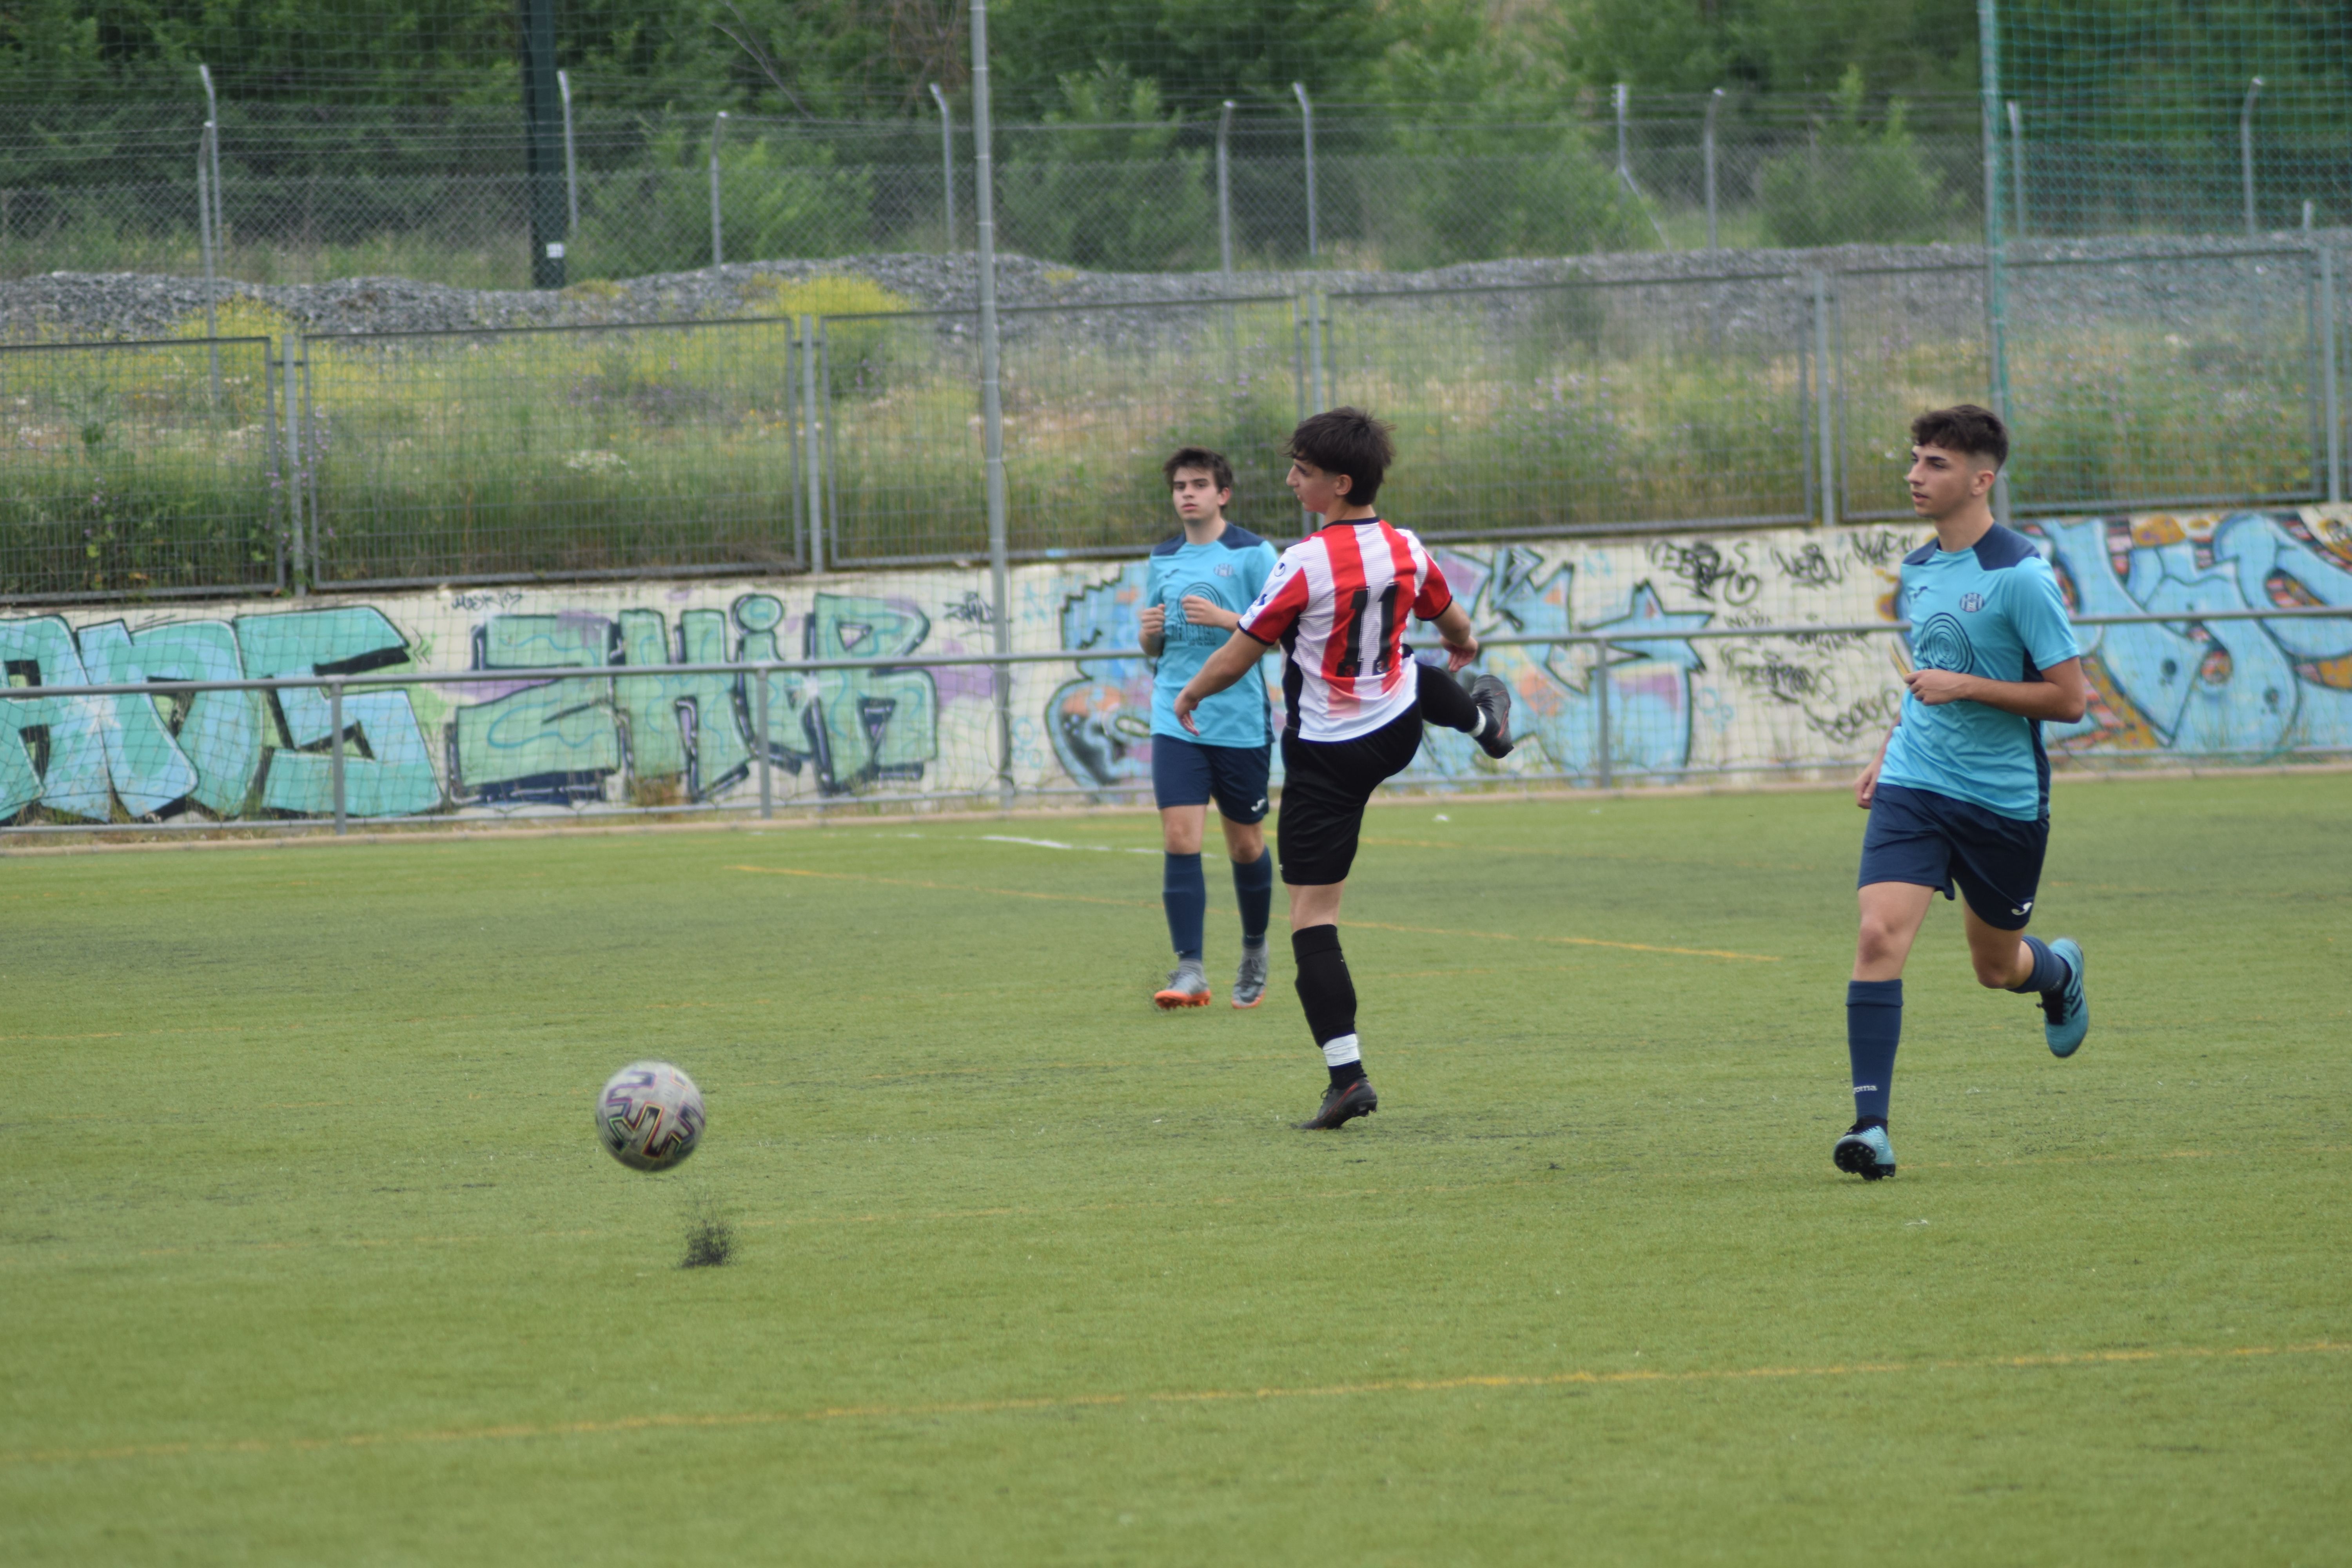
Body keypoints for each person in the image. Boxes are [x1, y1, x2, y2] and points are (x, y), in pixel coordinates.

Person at [1175, 408, 1514, 1130]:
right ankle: (1486, 724)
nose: (1291, 479)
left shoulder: (1302, 563)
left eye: (1302, 470)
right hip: (1394, 733)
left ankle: (1347, 1077)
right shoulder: (1405, 547)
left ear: (1339, 483)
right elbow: (1453, 625)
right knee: (1413, 670)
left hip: (1328, 759)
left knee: (1311, 921)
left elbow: (1243, 650)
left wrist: (1192, 691)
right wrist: (1467, 644)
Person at [1839, 404, 2094, 1181]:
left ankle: (2058, 973)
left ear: (1982, 480)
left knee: (1995, 967)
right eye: (1915, 459)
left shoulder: (2021, 575)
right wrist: (1890, 750)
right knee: (1880, 934)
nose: (1915, 474)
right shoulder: (1919, 568)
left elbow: (2071, 700)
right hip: (1916, 783)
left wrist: (1969, 688)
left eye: (1935, 464)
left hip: (2001, 801)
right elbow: (1930, 675)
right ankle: (1870, 1128)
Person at [1138, 447, 1282, 1010]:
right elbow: (1155, 644)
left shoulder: (1253, 555)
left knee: (1245, 846)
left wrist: (1229, 620)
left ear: (1224, 494)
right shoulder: (1163, 558)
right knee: (1180, 838)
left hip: (1239, 721)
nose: (1187, 494)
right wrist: (1148, 633)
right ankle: (1190, 970)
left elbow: (1279, 629)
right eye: (1179, 486)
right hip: (1173, 716)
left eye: (1199, 484)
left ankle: (1253, 950)